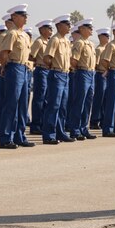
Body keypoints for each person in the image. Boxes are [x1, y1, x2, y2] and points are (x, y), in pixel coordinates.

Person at [0, 4, 35, 149]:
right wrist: (4, 67)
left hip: (24, 68)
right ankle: (6, 137)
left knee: (22, 105)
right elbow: (4, 54)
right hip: (14, 67)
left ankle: (20, 136)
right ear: (14, 17)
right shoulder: (12, 33)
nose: (25, 18)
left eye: (26, 16)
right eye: (22, 15)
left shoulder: (24, 35)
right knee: (11, 103)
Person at [41, 14, 74, 143]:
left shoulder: (66, 41)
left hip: (65, 74)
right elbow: (47, 58)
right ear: (59, 26)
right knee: (53, 105)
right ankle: (49, 134)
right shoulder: (54, 40)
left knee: (62, 106)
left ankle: (60, 132)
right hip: (57, 74)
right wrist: (54, 68)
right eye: (67, 24)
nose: (69, 27)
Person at [67, 18, 97, 139]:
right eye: (89, 28)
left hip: (90, 74)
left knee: (87, 103)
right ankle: (75, 129)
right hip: (82, 73)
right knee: (79, 102)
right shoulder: (79, 43)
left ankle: (84, 128)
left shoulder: (90, 44)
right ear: (82, 29)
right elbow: (73, 61)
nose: (91, 30)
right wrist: (79, 71)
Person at [29, 19, 53, 134]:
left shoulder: (48, 42)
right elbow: (31, 56)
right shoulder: (39, 42)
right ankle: (36, 125)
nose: (51, 31)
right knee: (39, 98)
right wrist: (39, 62)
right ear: (42, 30)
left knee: (46, 98)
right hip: (41, 70)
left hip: (48, 71)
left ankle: (42, 122)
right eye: (49, 28)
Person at [90, 27, 111, 129]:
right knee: (99, 98)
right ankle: (94, 120)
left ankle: (103, 119)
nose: (107, 38)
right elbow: (96, 64)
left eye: (108, 36)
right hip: (101, 74)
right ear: (100, 37)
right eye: (105, 36)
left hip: (107, 75)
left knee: (106, 99)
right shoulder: (98, 49)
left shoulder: (107, 48)